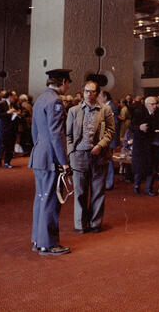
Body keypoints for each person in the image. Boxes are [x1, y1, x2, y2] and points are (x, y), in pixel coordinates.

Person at [29, 69, 73, 256]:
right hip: (50, 158)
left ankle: (38, 240)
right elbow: (57, 135)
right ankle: (49, 244)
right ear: (63, 81)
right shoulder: (55, 101)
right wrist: (64, 162)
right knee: (51, 201)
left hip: (39, 155)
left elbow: (34, 131)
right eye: (68, 82)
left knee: (41, 198)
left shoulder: (40, 99)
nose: (68, 86)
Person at [67, 80, 115, 233]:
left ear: (98, 93)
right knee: (80, 192)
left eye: (92, 91)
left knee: (98, 191)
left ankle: (95, 223)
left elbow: (110, 132)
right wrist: (71, 152)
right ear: (83, 92)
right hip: (79, 156)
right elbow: (67, 135)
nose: (89, 94)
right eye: (86, 91)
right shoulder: (73, 111)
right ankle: (80, 224)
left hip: (99, 156)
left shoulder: (105, 110)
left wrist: (100, 145)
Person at [129, 96, 159, 196]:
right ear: (146, 105)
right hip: (141, 144)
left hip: (154, 143)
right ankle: (136, 185)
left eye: (155, 104)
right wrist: (139, 127)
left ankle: (148, 188)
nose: (154, 106)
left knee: (153, 167)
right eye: (152, 104)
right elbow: (131, 127)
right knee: (140, 167)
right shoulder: (139, 112)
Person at [0, 90, 19, 168]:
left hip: (12, 128)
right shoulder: (2, 104)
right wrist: (8, 113)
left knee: (10, 146)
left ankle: (7, 162)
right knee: (3, 145)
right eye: (14, 96)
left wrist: (17, 113)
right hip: (4, 128)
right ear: (10, 97)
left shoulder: (14, 105)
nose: (15, 97)